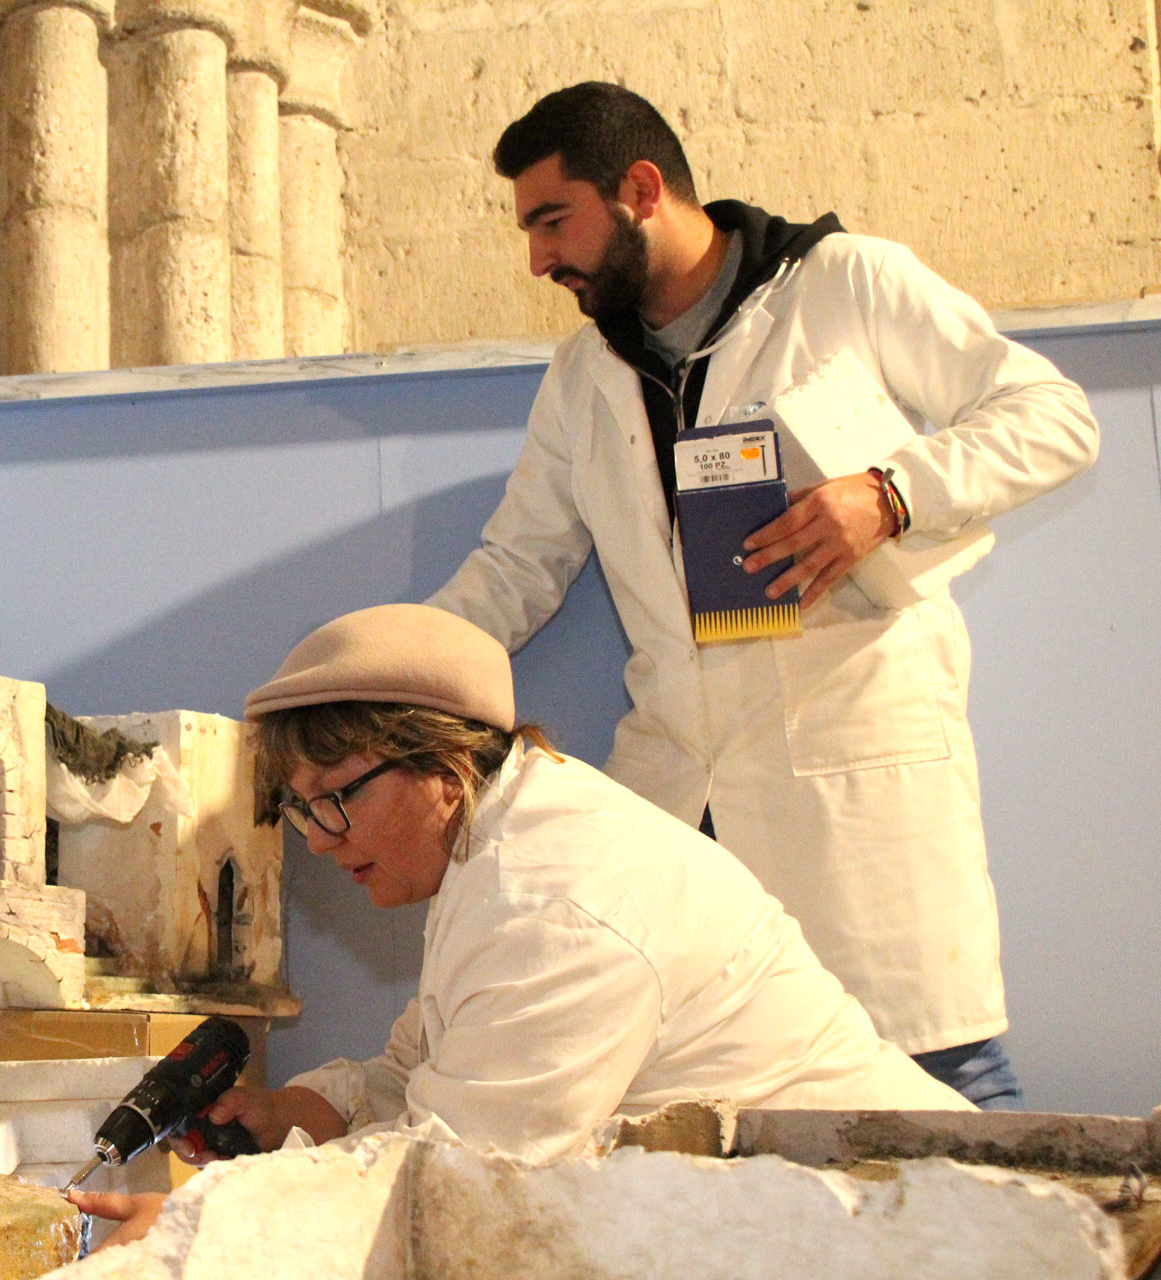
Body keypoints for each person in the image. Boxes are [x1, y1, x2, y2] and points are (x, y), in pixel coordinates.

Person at [424, 83, 1100, 1107]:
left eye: (552, 219)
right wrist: (388, 673)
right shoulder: (581, 377)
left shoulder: (844, 286)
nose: (537, 258)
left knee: (939, 1101)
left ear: (641, 189)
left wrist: (893, 495)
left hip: (847, 792)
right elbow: (519, 564)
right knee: (709, 1119)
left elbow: (1055, 416)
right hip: (680, 807)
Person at [72, 603, 969, 1250]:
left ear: (446, 762)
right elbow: (431, 1071)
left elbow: (451, 1184)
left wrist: (215, 1233)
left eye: (335, 801)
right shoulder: (493, 856)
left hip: (908, 1233)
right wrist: (304, 1109)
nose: (320, 842)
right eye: (301, 814)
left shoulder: (555, 899)